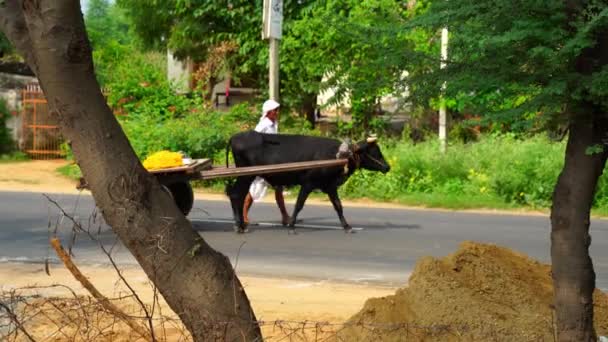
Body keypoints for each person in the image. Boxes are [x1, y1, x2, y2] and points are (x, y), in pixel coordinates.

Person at [243, 99, 291, 226]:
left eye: (277, 110)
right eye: (274, 110)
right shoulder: (263, 125)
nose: (277, 112)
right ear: (268, 112)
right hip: (263, 161)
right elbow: (253, 141)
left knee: (278, 188)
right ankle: (243, 214)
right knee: (255, 188)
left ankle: (285, 216)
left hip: (273, 160)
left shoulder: (274, 123)